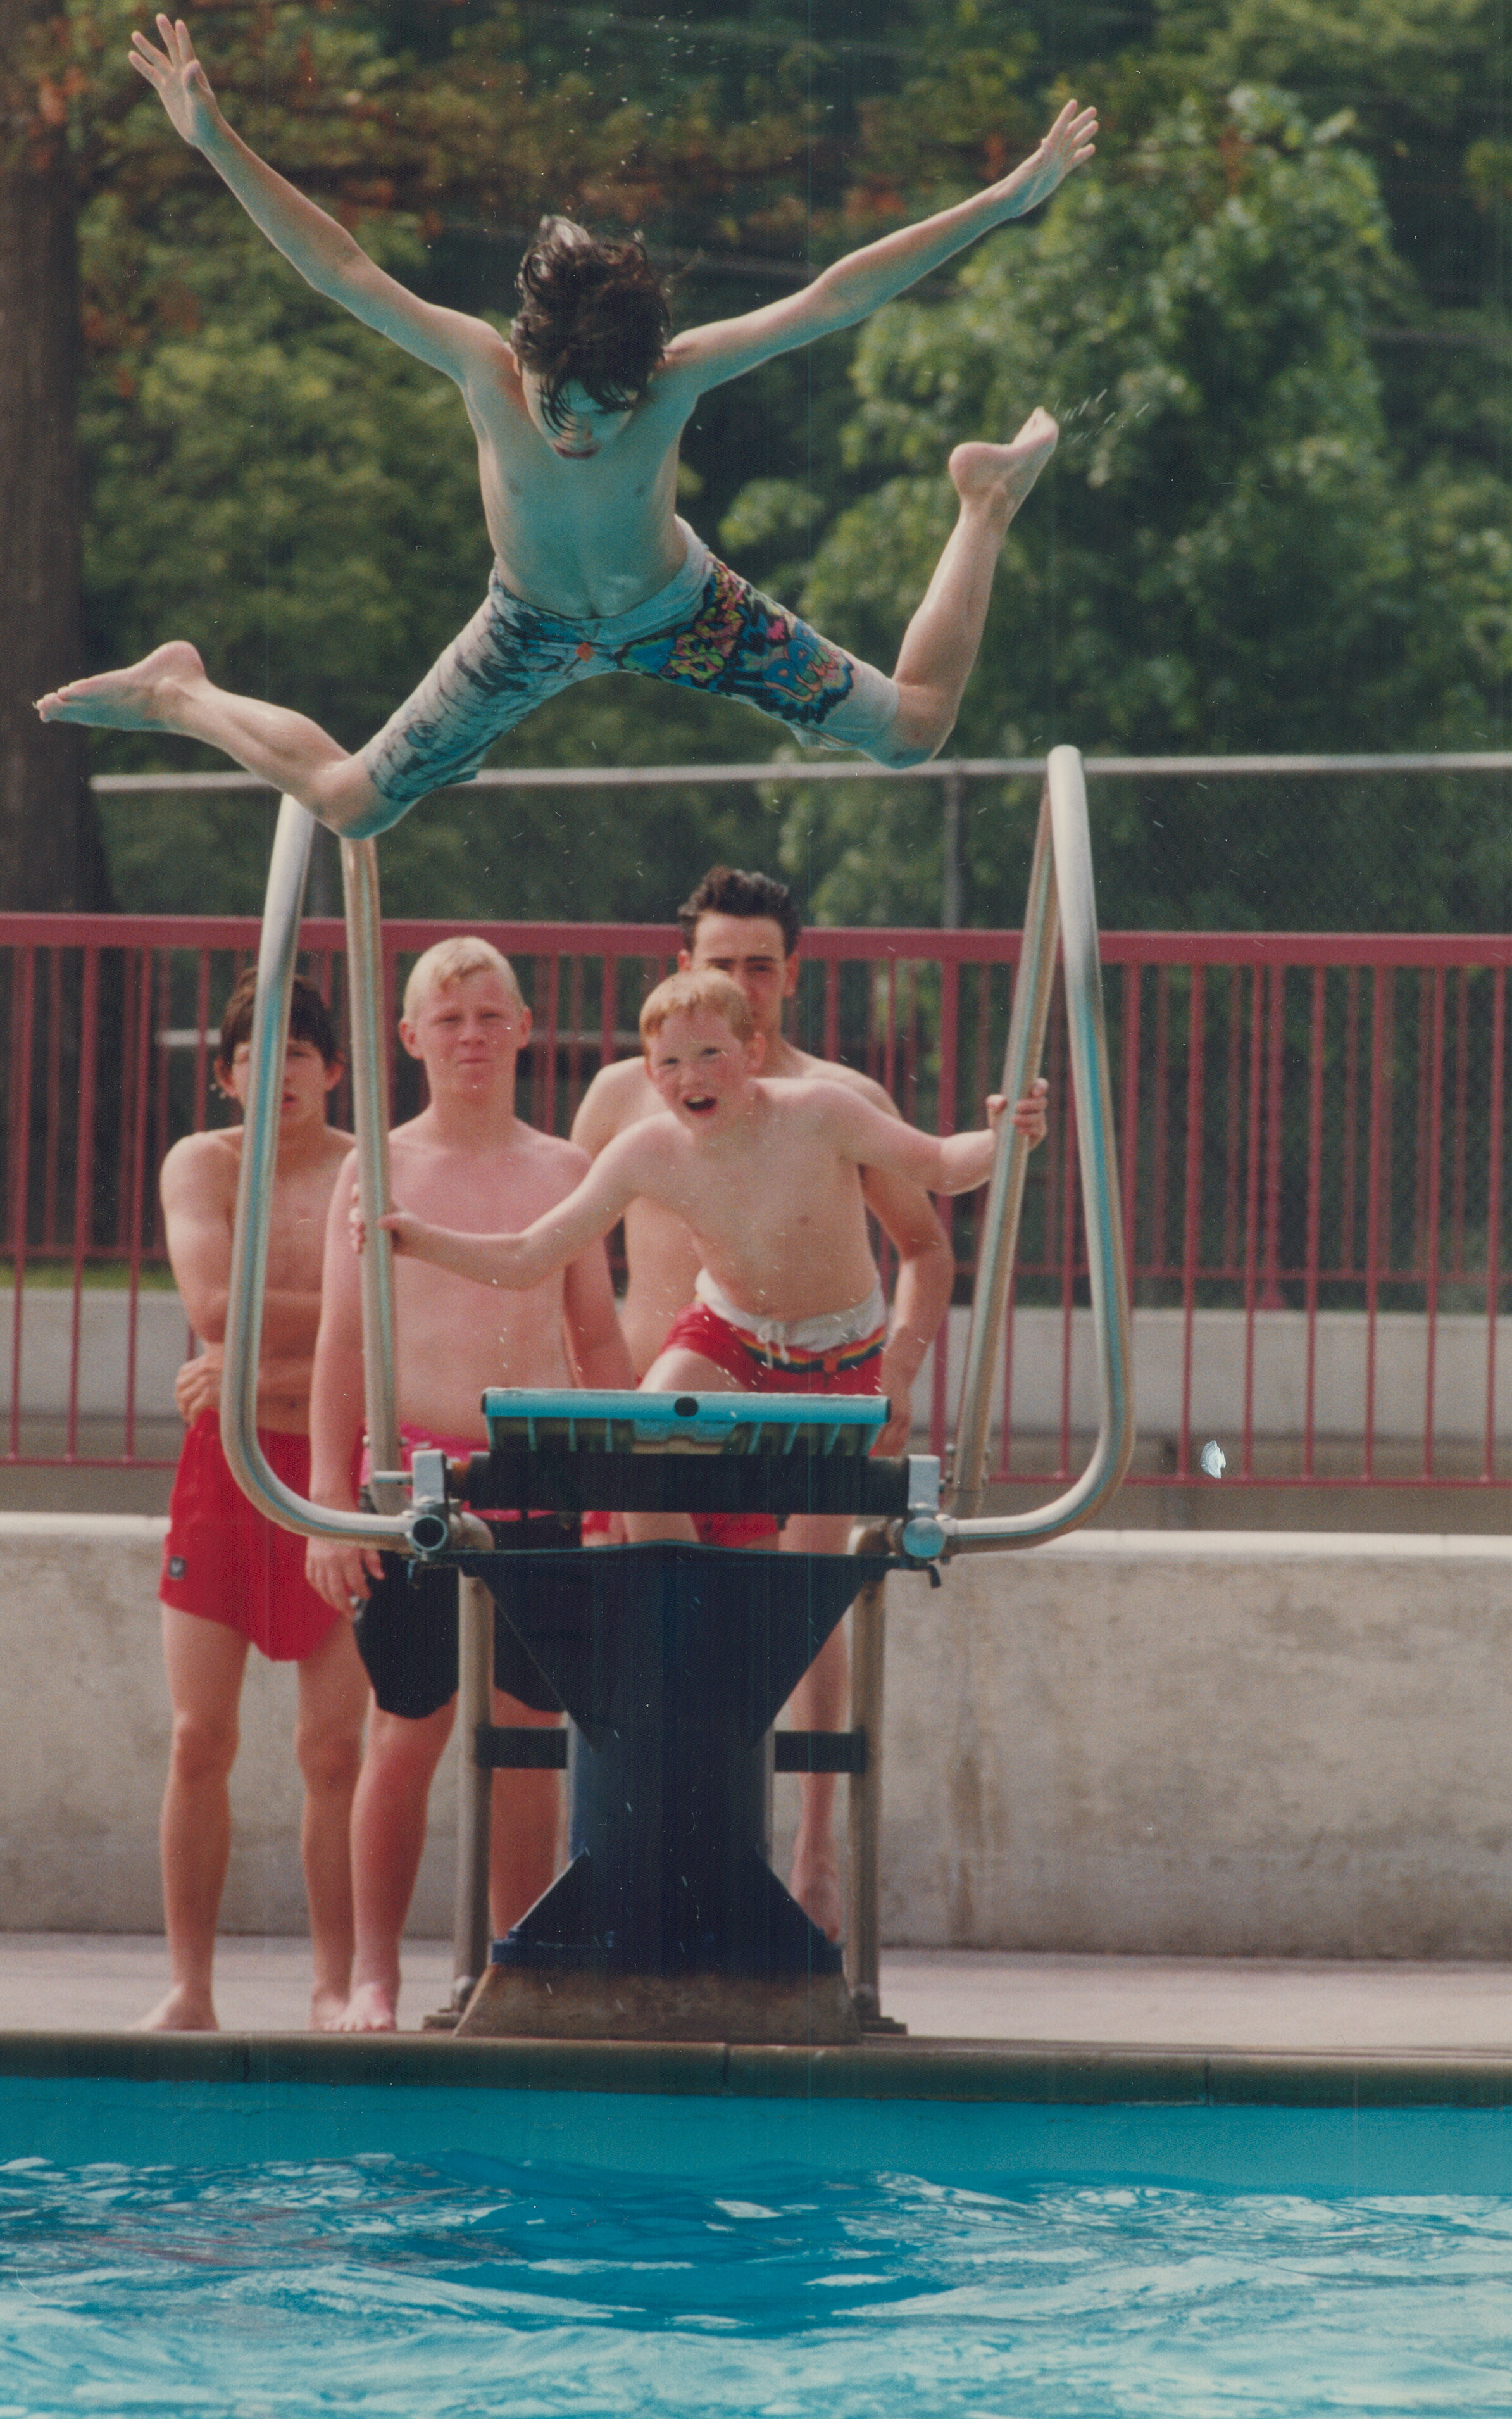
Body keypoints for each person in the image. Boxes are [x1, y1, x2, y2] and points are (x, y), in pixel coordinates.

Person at [37, 15, 1096, 825]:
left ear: (644, 378)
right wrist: (217, 142)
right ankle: (179, 692)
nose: (579, 432)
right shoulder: (479, 365)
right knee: (350, 805)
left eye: (608, 410)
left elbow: (835, 295)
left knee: (914, 731)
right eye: (560, 405)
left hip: (682, 611)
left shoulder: (676, 377)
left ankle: (983, 499)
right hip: (527, 628)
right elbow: (340, 267)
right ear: (526, 355)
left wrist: (1002, 200)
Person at [572, 865, 968, 1938]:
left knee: (808, 1596)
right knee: (645, 1634)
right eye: (720, 962)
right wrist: (597, 1395)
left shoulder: (836, 1102)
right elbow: (563, 1251)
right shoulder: (627, 1095)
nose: (741, 981)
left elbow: (925, 1247)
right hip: (666, 1408)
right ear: (682, 969)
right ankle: (645, 1870)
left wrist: (895, 1374)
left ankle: (813, 1851)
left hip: (801, 1391)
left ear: (792, 974)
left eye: (759, 964)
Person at [304, 936, 635, 2032]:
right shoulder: (378, 1168)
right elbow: (342, 1347)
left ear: (527, 1027)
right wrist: (329, 1509)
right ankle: (375, 1976)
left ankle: (515, 1969)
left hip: (536, 1473)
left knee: (528, 1733)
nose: (472, 1038)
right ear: (410, 1037)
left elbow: (595, 1336)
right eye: (449, 1021)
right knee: (408, 1727)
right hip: (415, 1485)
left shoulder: (564, 1170)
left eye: (492, 1017)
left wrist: (627, 1490)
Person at [149, 970, 368, 2032]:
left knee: (333, 1751)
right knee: (200, 1736)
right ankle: (190, 1988)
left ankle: (333, 1985)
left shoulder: (369, 1168)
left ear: (333, 1069)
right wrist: (325, 1322)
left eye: (298, 1052)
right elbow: (209, 1301)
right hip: (226, 1471)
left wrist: (260, 1368)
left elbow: (390, 1314)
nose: (277, 1071)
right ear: (226, 1075)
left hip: (334, 1464)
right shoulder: (203, 1163)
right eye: (255, 1053)